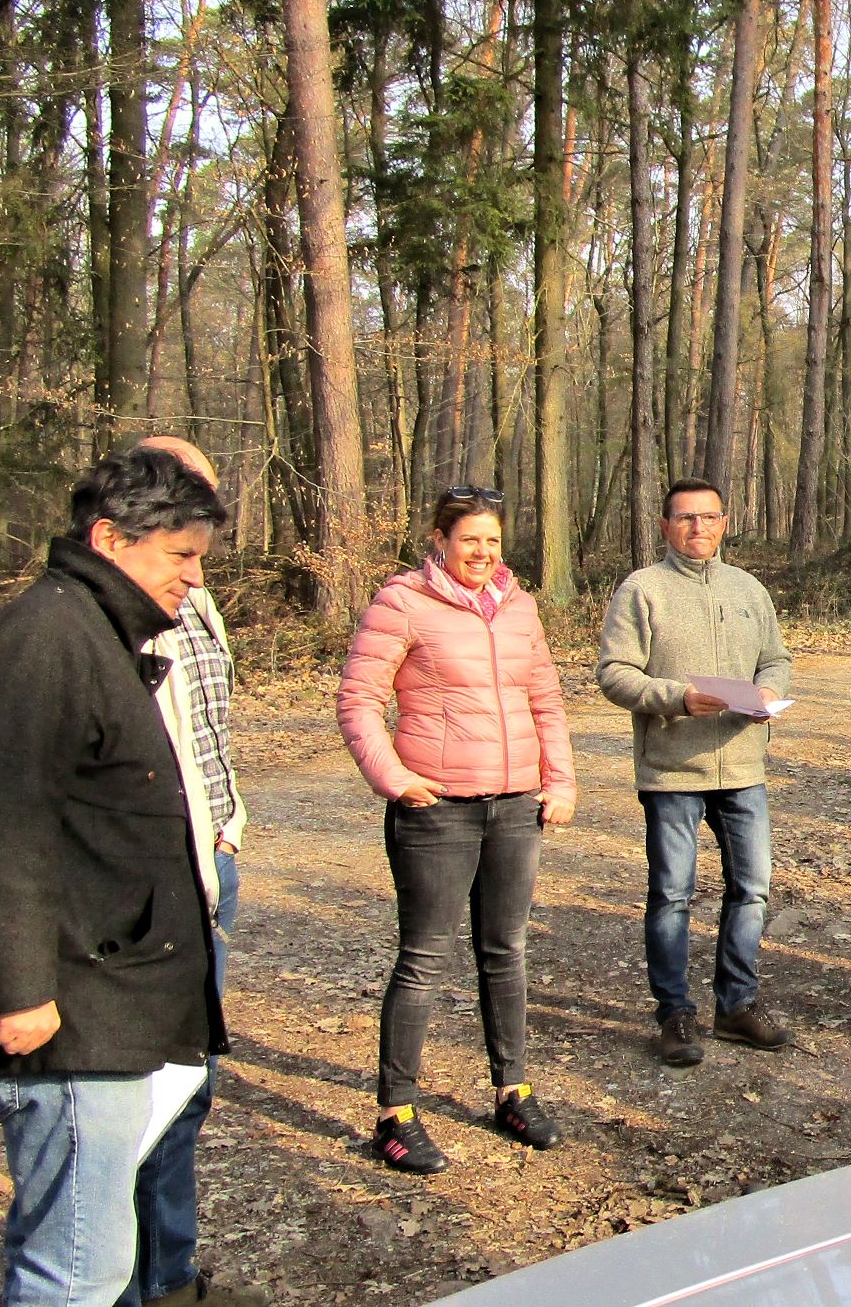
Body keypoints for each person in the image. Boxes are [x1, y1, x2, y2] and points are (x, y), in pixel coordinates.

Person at [0, 446, 229, 1305]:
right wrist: (22, 991)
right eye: (179, 556)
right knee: (74, 1268)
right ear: (110, 538)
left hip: (108, 1001)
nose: (192, 579)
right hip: (68, 1022)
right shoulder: (41, 645)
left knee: (91, 1254)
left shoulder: (93, 631)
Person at [337, 486, 576, 1174]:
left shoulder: (520, 606)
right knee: (425, 956)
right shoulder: (401, 601)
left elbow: (545, 699)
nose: (482, 552)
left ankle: (512, 1089)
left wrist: (557, 780)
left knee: (505, 949)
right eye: (470, 539)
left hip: (515, 805)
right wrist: (394, 777)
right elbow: (358, 700)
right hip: (435, 807)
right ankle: (395, 1113)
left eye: (493, 541)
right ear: (441, 539)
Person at [124, 438, 261, 1306]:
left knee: (190, 1085)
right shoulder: (121, 618)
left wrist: (232, 822)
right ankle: (135, 1284)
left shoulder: (200, 603)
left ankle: (169, 1272)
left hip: (212, 859)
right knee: (147, 1095)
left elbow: (207, 732)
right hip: (153, 878)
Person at [597, 478, 795, 1068]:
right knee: (672, 896)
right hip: (672, 768)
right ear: (664, 526)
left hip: (741, 765)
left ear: (724, 523)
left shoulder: (747, 589)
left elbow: (777, 658)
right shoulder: (643, 590)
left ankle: (736, 1004)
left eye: (709, 518)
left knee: (752, 888)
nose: (698, 528)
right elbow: (615, 673)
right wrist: (678, 698)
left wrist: (769, 690)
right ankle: (675, 1014)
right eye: (685, 519)